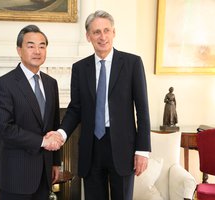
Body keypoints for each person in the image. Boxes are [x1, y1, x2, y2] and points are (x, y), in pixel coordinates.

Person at [48, 10, 151, 200]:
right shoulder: (80, 68)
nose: (102, 37)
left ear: (114, 32)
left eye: (106, 31)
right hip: (91, 147)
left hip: (123, 148)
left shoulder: (132, 63)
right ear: (88, 36)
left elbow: (143, 111)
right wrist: (60, 134)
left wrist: (143, 150)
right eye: (96, 32)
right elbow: (75, 109)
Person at [0, 25, 64, 200]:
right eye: (30, 46)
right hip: (16, 175)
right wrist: (42, 141)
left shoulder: (50, 83)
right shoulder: (3, 84)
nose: (37, 51)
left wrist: (55, 163)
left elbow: (54, 124)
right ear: (19, 50)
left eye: (42, 46)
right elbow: (4, 129)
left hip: (45, 173)